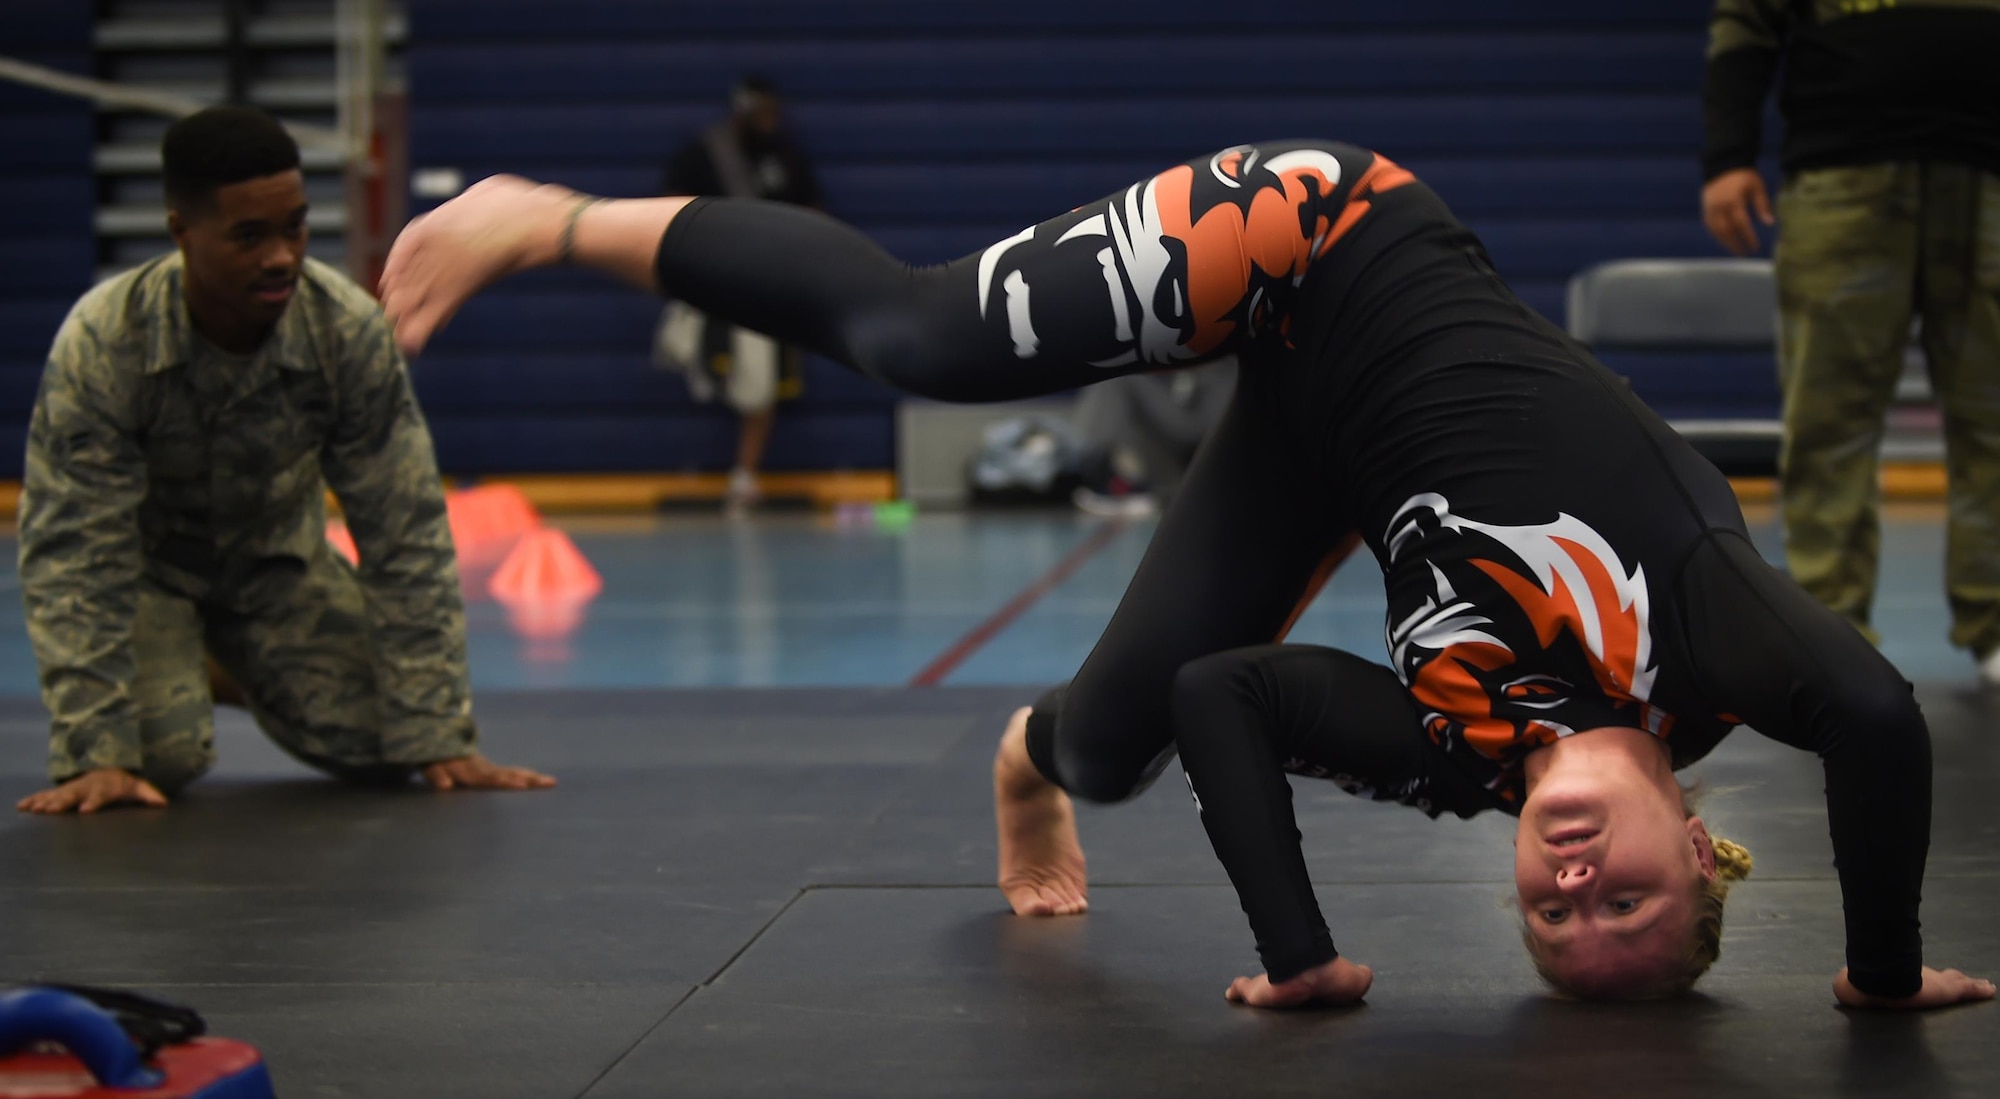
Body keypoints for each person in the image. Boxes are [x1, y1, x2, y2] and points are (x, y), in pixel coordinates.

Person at [379, 140, 1989, 1010]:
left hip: (1320, 438)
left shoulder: (1468, 759)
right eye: (1626, 893)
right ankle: (553, 217)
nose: (1574, 881)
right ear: (1705, 845)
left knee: (1123, 734)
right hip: (1327, 244)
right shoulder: (1710, 645)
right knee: (930, 339)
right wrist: (1873, 967)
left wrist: (1305, 956)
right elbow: (1870, 705)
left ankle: (1027, 757)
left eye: (1558, 923)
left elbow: (1233, 693)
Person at [14, 106, 554, 816]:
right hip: (146, 580)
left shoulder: (345, 333)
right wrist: (97, 749)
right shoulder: (106, 341)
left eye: (294, 227)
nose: (280, 257)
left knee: (395, 745)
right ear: (182, 231)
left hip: (277, 571)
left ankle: (224, 666)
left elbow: (406, 531)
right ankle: (172, 662)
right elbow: (76, 551)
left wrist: (437, 732)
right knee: (153, 761)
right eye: (248, 236)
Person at [1700, 0, 2000, 685]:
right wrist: (1728, 155)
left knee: (1995, 414)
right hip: (1845, 171)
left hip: (1989, 169)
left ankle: (1997, 622)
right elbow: (1746, 20)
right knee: (1829, 417)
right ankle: (1831, 630)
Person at [652, 76, 823, 511]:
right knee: (688, 360)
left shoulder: (784, 156)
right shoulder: (708, 152)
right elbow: (668, 208)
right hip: (709, 284)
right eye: (759, 113)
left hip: (763, 285)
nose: (768, 120)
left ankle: (744, 473)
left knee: (759, 387)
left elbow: (813, 213)